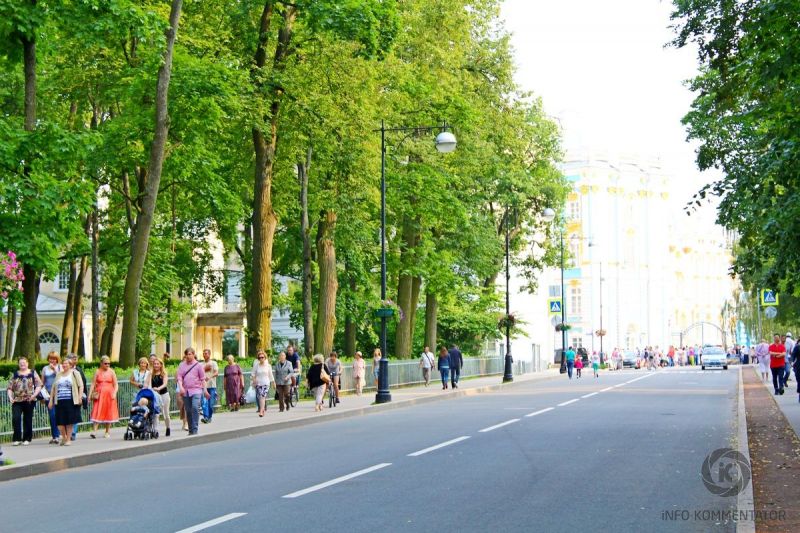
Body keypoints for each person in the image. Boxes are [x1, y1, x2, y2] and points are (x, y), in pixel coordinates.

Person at [6, 356, 42, 446]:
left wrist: (34, 395)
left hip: (29, 400)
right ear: (18, 364)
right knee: (16, 418)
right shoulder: (15, 374)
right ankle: (17, 439)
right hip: (17, 400)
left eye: (24, 362)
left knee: (28, 419)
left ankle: (27, 438)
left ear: (27, 363)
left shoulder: (33, 373)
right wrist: (10, 397)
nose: (22, 364)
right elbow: (10, 388)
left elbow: (39, 385)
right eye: (20, 363)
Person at [48, 358, 84, 446]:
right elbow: (53, 388)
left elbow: (81, 386)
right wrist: (51, 401)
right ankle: (63, 437)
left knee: (69, 421)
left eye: (66, 364)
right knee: (59, 422)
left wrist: (79, 397)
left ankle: (68, 439)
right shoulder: (59, 374)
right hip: (59, 400)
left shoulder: (75, 373)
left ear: (70, 365)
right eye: (63, 364)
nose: (64, 365)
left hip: (70, 400)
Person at [177, 347, 208, 435]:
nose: (188, 356)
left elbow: (203, 379)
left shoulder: (198, 365)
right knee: (188, 410)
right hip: (186, 391)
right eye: (186, 354)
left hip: (197, 390)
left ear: (194, 354)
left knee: (195, 407)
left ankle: (195, 428)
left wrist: (205, 391)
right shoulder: (182, 365)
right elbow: (179, 377)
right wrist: (181, 387)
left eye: (190, 354)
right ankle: (191, 430)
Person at [89, 355, 119, 439]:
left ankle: (107, 431)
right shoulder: (97, 371)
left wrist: (114, 393)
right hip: (99, 394)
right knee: (97, 410)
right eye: (105, 363)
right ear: (101, 363)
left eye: (109, 363)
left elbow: (116, 384)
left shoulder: (112, 371)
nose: (107, 365)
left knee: (108, 411)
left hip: (109, 394)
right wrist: (89, 394)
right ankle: (94, 431)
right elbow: (93, 384)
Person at [40, 352, 62, 444]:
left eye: (54, 359)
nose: (52, 360)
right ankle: (55, 436)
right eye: (50, 358)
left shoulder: (60, 367)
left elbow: (61, 378)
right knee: (52, 415)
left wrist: (55, 370)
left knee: (59, 415)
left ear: (57, 359)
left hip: (59, 394)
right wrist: (42, 395)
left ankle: (61, 434)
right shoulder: (45, 368)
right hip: (48, 395)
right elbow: (42, 382)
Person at [66, 354, 88, 442]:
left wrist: (82, 395)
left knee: (75, 414)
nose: (75, 360)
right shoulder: (63, 371)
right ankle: (67, 433)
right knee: (67, 415)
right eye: (73, 359)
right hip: (66, 396)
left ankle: (73, 433)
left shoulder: (78, 370)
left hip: (77, 395)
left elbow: (83, 382)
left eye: (76, 359)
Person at [151, 357, 171, 436]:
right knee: (156, 414)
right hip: (155, 396)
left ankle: (168, 427)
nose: (156, 365)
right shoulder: (151, 373)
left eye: (157, 364)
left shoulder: (164, 373)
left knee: (165, 414)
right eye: (155, 364)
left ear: (161, 365)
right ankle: (156, 430)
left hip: (164, 395)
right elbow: (149, 383)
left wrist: (158, 388)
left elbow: (165, 383)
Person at [251, 350, 274, 417]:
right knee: (260, 397)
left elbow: (271, 375)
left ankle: (261, 410)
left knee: (262, 396)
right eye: (259, 358)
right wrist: (254, 380)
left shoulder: (268, 366)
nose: (261, 359)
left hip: (266, 383)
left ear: (265, 357)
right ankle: (262, 409)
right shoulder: (256, 365)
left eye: (262, 357)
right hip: (258, 383)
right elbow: (253, 374)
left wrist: (273, 383)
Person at [200, 349, 219, 423]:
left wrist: (210, 376)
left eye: (206, 353)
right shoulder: (201, 364)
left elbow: (216, 373)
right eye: (203, 353)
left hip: (212, 386)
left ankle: (209, 416)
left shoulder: (213, 363)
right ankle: (206, 417)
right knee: (204, 403)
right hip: (203, 386)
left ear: (209, 354)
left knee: (211, 403)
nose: (204, 355)